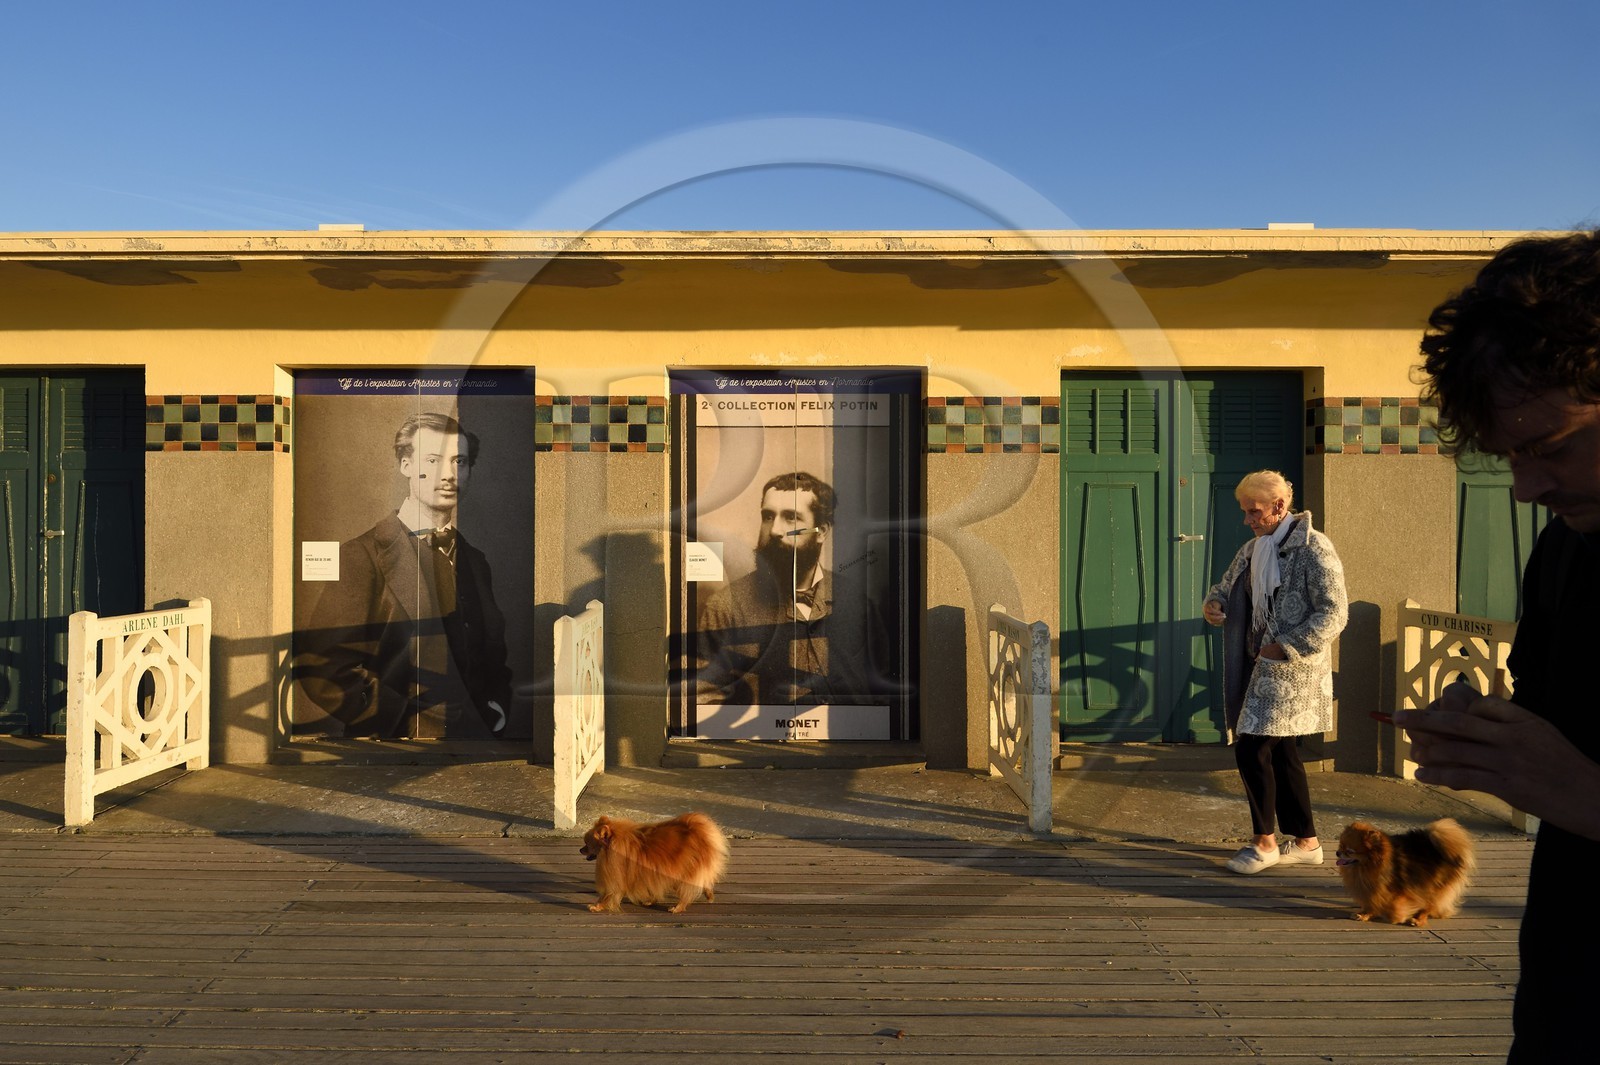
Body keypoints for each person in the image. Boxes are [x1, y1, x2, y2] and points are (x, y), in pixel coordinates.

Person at [1400, 228, 1600, 1063]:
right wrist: (1489, 731)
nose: (1525, 487)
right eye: (1508, 456)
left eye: (1548, 446)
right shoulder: (1567, 547)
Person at [304, 411, 512, 739]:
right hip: (391, 747)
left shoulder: (475, 561)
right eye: (433, 460)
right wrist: (393, 718)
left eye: (460, 461)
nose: (449, 475)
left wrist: (495, 710)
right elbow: (322, 664)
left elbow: (493, 655)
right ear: (406, 466)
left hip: (473, 745)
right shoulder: (360, 555)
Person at [1202, 470, 1348, 875]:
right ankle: (1307, 842)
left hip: (1292, 671)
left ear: (1280, 507)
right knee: (1281, 752)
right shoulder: (1255, 548)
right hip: (1258, 666)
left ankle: (1264, 844)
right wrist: (1213, 605)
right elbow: (1226, 587)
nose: (1248, 519)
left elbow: (1335, 613)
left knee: (1251, 747)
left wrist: (1285, 647)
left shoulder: (1315, 548)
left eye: (1254, 511)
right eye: (1245, 511)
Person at [694, 470, 876, 708]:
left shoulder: (855, 600)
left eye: (791, 517)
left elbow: (881, 693)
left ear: (821, 531)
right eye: (768, 516)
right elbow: (702, 700)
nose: (775, 530)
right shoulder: (726, 606)